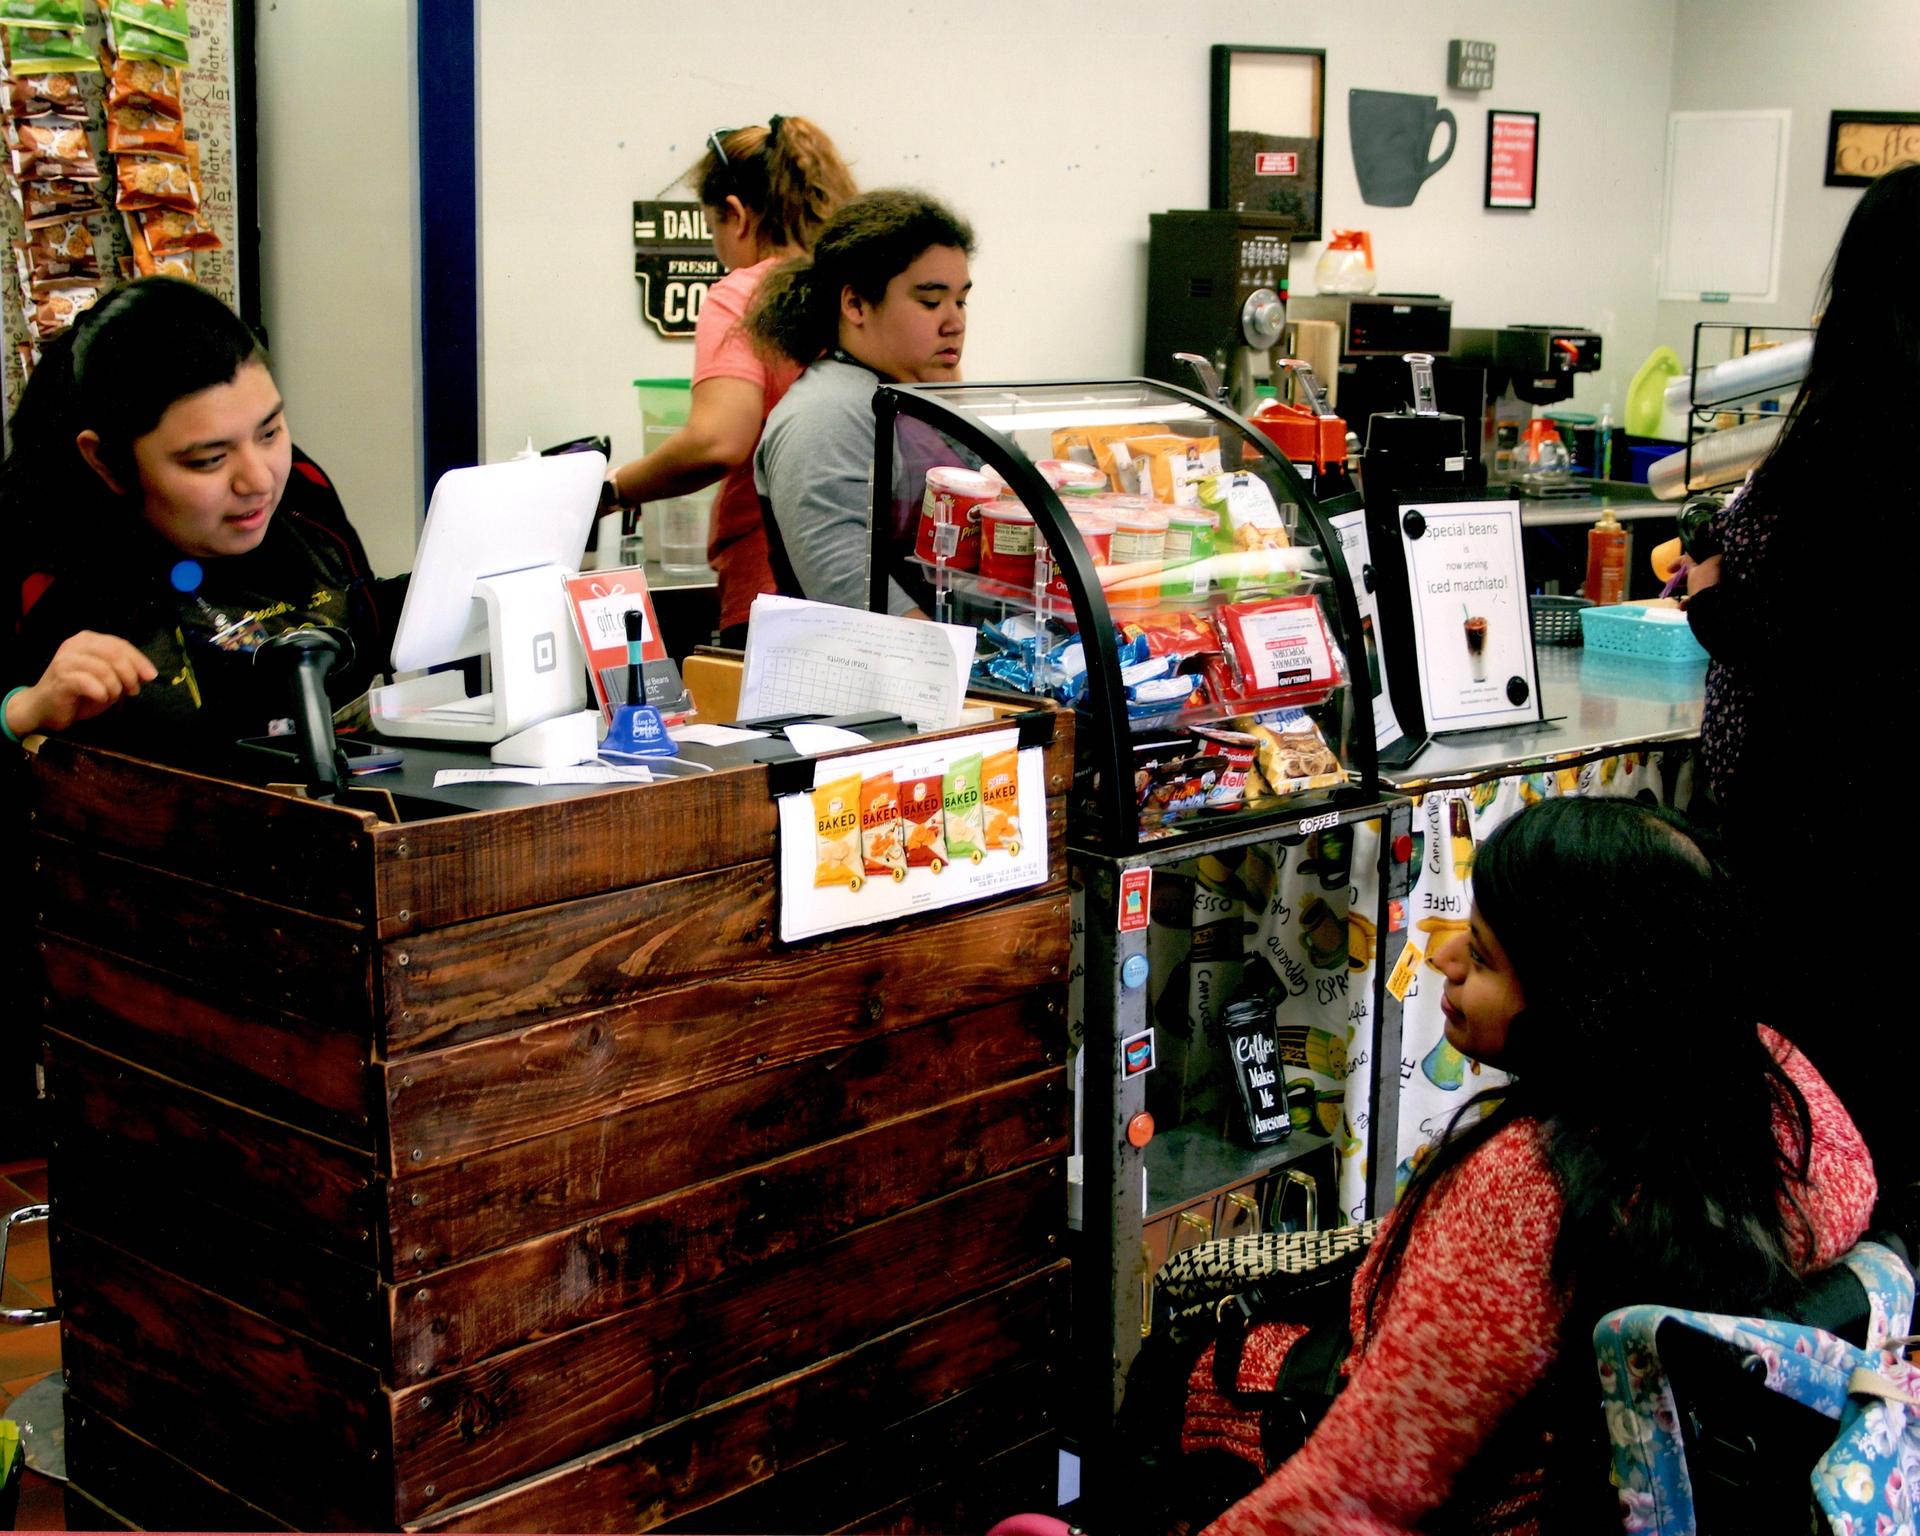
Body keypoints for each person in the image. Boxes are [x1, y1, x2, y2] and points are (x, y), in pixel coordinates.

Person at [1195, 798, 1874, 1536]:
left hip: (1483, 1500)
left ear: (1585, 1003)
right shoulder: (1773, 1083)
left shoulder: (1529, 1189)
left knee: (1186, 1369)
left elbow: (1363, 1491)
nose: (1444, 958)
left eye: (1484, 956)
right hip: (1624, 1472)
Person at [1684, 161, 1918, 1225]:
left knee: (1809, 1132)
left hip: (1820, 846)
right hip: (1880, 849)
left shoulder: (1860, 440)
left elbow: (1817, 646)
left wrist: (1714, 596)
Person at [1, 276, 397, 765]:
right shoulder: (33, 543)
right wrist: (21, 710)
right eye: (209, 460)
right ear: (107, 462)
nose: (258, 481)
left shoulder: (300, 490)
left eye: (270, 432)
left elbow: (357, 616)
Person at [605, 116, 855, 646]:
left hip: (775, 587)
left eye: (714, 228)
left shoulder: (744, 294)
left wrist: (615, 489)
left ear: (737, 216)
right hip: (871, 588)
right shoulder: (861, 291)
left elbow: (717, 441)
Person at [748, 188, 975, 615]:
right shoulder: (826, 414)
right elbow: (854, 595)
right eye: (930, 301)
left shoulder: (911, 397)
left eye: (961, 300)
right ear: (855, 304)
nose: (955, 322)